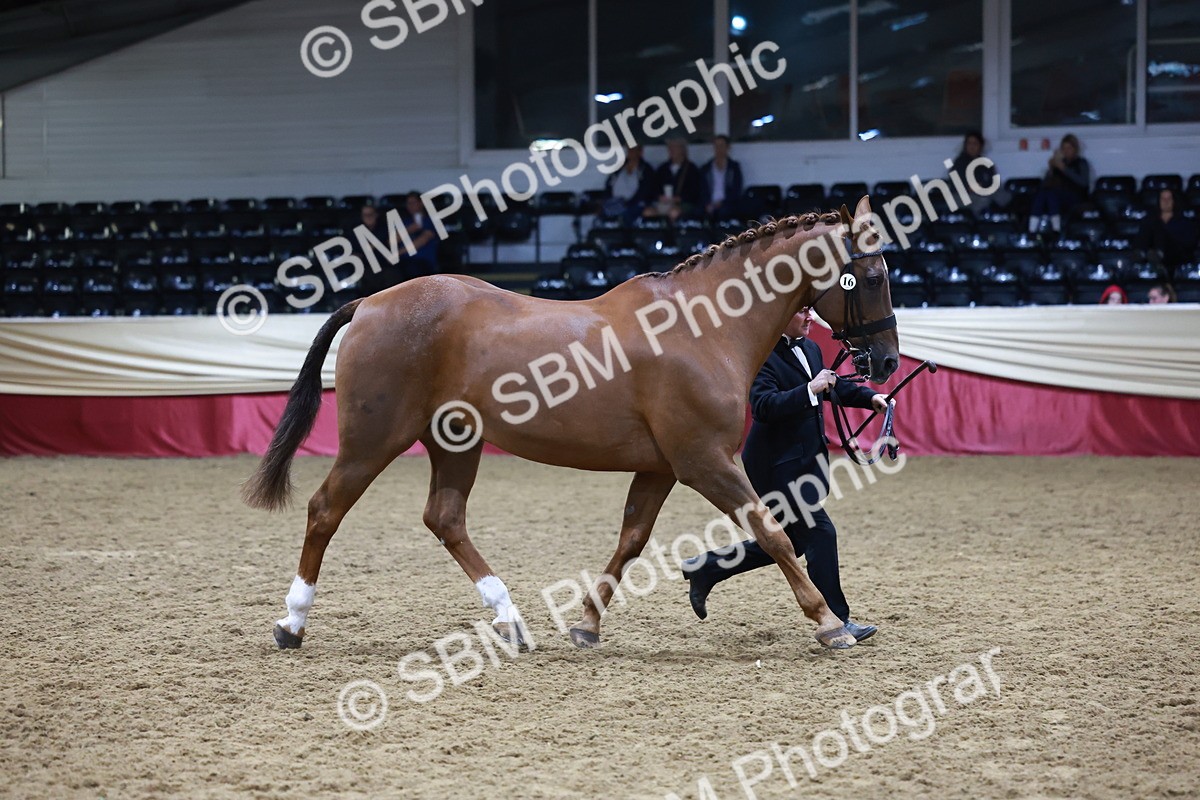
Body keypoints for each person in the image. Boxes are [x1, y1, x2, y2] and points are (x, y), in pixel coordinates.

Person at [682, 307, 888, 642]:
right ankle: (836, 620)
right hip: (774, 466)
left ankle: (707, 568)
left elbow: (831, 387)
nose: (810, 318)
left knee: (792, 540)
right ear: (782, 316)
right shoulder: (761, 353)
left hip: (805, 461)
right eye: (803, 312)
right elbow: (763, 406)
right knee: (820, 532)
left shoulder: (811, 348)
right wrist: (810, 388)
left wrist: (871, 398)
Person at [1028, 134, 1091, 233]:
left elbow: (1083, 182)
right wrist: (1051, 169)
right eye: (1064, 148)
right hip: (1056, 194)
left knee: (1052, 194)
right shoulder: (1058, 164)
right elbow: (1046, 183)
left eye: (1069, 148)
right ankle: (1032, 229)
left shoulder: (1081, 163)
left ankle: (1056, 229)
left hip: (1075, 196)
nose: (1066, 151)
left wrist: (1064, 168)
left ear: (1075, 149)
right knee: (1043, 193)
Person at [949, 131, 1010, 214]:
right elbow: (957, 184)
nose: (972, 146)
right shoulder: (959, 163)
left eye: (975, 144)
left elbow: (992, 182)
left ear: (981, 146)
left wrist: (983, 186)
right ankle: (977, 224)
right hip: (962, 196)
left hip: (984, 192)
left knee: (1004, 196)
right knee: (983, 200)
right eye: (969, 143)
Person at [1137, 189, 1199, 270]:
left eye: (1169, 199)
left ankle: (1160, 254)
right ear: (1159, 201)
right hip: (1152, 257)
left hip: (1178, 257)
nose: (1166, 202)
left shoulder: (1184, 222)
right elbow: (1142, 239)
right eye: (1163, 199)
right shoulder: (1149, 221)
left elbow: (1190, 243)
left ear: (1173, 201)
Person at [647, 137, 705, 223]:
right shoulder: (663, 168)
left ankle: (672, 236)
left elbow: (694, 192)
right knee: (648, 212)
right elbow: (654, 188)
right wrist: (660, 197)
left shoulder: (691, 169)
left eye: (674, 147)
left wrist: (678, 199)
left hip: (683, 204)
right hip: (664, 204)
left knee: (673, 213)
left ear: (682, 150)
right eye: (670, 147)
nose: (671, 150)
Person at [603, 143, 658, 225]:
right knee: (604, 212)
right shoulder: (619, 168)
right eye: (629, 150)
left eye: (634, 150)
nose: (631, 153)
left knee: (627, 215)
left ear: (640, 152)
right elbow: (609, 184)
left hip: (635, 205)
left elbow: (645, 191)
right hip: (615, 203)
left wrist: (627, 204)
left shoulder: (646, 169)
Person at [701, 134, 745, 221]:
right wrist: (707, 203)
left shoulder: (734, 168)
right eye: (716, 146)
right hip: (709, 203)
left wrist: (721, 203)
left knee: (725, 212)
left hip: (727, 204)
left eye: (721, 146)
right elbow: (701, 189)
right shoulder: (706, 168)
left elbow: (736, 190)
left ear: (728, 147)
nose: (718, 149)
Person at [397, 191, 438, 281]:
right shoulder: (405, 222)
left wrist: (398, 253)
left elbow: (423, 240)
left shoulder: (430, 221)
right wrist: (409, 229)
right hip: (404, 261)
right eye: (408, 203)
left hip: (422, 262)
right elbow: (392, 240)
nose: (410, 206)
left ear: (421, 203)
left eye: (413, 203)